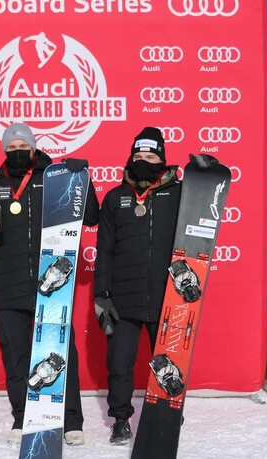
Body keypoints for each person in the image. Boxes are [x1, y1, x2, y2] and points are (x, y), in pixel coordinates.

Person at [0, 123, 99, 446]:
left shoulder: (56, 179)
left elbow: (91, 216)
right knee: (17, 357)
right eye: (11, 148)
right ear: (4, 152)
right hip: (8, 288)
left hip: (51, 285)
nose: (17, 152)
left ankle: (71, 421)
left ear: (35, 148)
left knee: (61, 353)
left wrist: (83, 181)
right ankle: (22, 417)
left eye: (23, 146)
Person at [93, 127, 182, 445]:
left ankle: (169, 410)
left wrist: (204, 175)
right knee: (119, 364)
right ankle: (120, 419)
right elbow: (104, 249)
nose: (144, 161)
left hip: (167, 296)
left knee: (170, 361)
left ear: (162, 160)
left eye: (151, 156)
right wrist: (101, 293)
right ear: (130, 159)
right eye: (139, 156)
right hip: (122, 298)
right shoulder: (116, 198)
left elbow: (201, 223)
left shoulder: (180, 194)